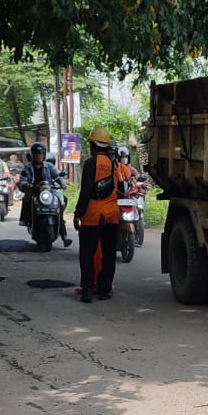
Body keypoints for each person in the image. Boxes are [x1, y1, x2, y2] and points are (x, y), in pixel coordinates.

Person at [72, 126, 120, 303]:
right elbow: (118, 189)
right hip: (111, 216)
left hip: (92, 215)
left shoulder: (91, 163)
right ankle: (104, 290)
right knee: (108, 255)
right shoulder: (114, 164)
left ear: (92, 144)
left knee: (87, 253)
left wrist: (78, 214)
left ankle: (87, 290)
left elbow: (85, 191)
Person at [17, 142, 70, 244]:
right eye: (36, 154)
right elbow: (23, 178)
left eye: (40, 153)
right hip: (34, 191)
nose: (38, 156)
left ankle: (64, 235)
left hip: (48, 191)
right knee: (26, 199)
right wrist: (24, 184)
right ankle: (26, 219)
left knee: (60, 202)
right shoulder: (27, 167)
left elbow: (57, 176)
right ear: (32, 155)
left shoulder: (49, 166)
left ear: (44, 155)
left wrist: (63, 184)